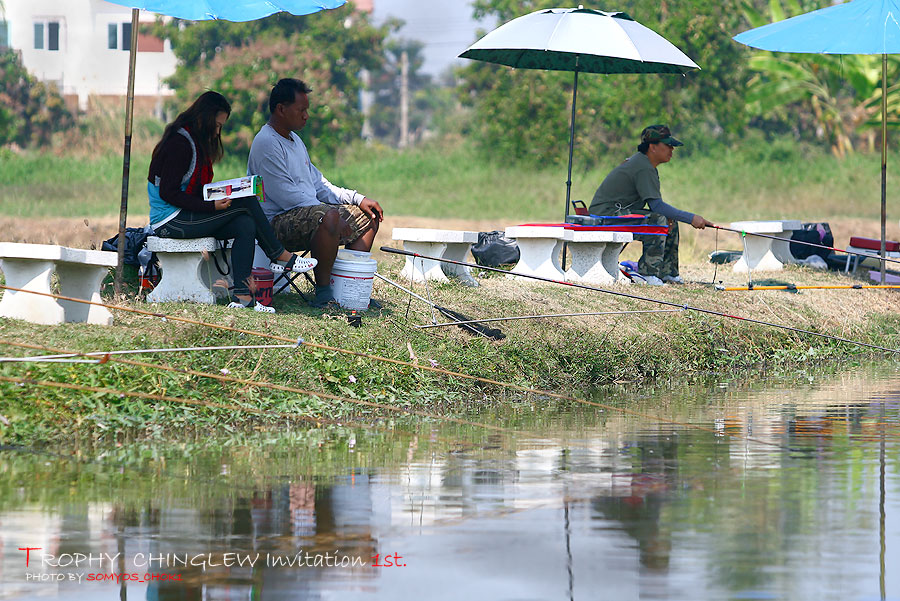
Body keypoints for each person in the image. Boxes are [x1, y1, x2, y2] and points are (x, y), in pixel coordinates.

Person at [147, 91, 316, 313]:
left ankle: (242, 297)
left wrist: (218, 196)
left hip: (184, 214)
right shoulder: (180, 144)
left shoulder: (193, 141)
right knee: (245, 200)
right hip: (170, 222)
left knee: (245, 224)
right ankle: (279, 254)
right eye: (216, 125)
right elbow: (169, 193)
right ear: (203, 118)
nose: (218, 132)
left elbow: (193, 190)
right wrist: (211, 206)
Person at [247, 78, 384, 308]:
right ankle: (324, 293)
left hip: (308, 213)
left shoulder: (296, 141)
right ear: (281, 109)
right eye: (301, 110)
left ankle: (348, 287)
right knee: (329, 217)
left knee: (368, 216)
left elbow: (319, 184)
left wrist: (358, 199)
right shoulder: (266, 143)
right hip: (274, 225)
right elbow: (286, 196)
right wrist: (331, 215)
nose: (306, 116)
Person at [589, 124, 714, 285]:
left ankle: (668, 272)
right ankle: (647, 273)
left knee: (669, 220)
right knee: (659, 219)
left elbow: (656, 206)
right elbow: (657, 207)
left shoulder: (644, 164)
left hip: (614, 213)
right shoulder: (643, 167)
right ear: (653, 147)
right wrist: (692, 218)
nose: (671, 150)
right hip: (605, 214)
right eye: (667, 145)